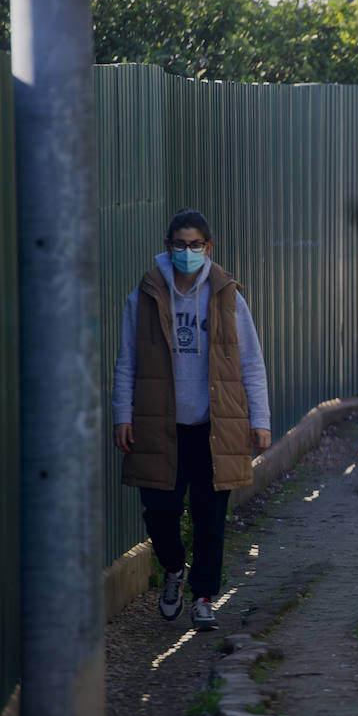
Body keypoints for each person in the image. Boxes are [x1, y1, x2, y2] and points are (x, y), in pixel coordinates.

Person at [112, 209, 272, 630]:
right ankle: (174, 569)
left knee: (210, 519)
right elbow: (127, 359)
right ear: (167, 246)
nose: (188, 252)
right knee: (160, 513)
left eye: (195, 244)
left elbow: (251, 362)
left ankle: (203, 597)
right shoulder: (144, 296)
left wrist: (261, 420)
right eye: (180, 244)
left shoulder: (227, 296)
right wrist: (121, 414)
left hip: (215, 427)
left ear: (209, 247)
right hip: (158, 425)